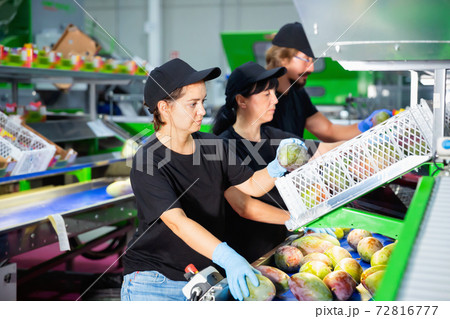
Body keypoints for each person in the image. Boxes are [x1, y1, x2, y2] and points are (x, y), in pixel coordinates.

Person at [121, 58, 301, 301]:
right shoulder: (148, 160)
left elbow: (250, 187)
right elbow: (178, 223)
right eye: (192, 104)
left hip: (202, 277)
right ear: (164, 108)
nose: (202, 111)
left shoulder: (213, 145)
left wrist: (277, 166)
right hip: (155, 282)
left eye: (203, 101)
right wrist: (229, 257)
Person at [213, 61, 339, 263]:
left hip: (281, 247)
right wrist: (297, 220)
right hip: (249, 255)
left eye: (274, 93)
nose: (275, 100)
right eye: (266, 95)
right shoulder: (223, 146)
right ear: (241, 101)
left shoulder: (276, 137)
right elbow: (243, 205)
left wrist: (372, 140)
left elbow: (322, 150)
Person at [265, 22, 391, 142]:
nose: (311, 68)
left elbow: (329, 131)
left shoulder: (298, 94)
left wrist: (366, 125)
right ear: (283, 59)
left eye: (312, 60)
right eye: (306, 60)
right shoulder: (261, 94)